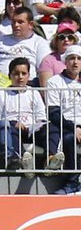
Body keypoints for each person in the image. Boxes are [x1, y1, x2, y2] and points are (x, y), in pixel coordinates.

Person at [0, 57, 47, 172]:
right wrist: (14, 123)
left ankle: (50, 158)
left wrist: (36, 125)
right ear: (9, 75)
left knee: (51, 128)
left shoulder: (34, 92)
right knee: (8, 129)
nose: (20, 77)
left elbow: (41, 116)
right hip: (13, 128)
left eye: (23, 73)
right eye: (16, 74)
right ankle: (20, 158)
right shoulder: (1, 94)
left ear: (28, 75)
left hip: (32, 130)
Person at [43, 48, 81, 188]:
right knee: (69, 139)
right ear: (65, 62)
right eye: (72, 58)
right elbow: (53, 113)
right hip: (65, 125)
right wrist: (74, 127)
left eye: (79, 58)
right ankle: (72, 183)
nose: (75, 62)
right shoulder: (55, 82)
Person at [0, 7, 49, 79]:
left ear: (30, 24)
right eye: (13, 22)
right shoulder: (1, 40)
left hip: (27, 86)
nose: (16, 25)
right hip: (0, 86)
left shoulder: (40, 43)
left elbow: (44, 70)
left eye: (20, 22)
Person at [38, 22, 78, 87]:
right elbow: (45, 90)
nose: (66, 40)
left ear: (74, 40)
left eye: (70, 37)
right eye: (62, 37)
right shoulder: (47, 61)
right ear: (56, 40)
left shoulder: (79, 59)